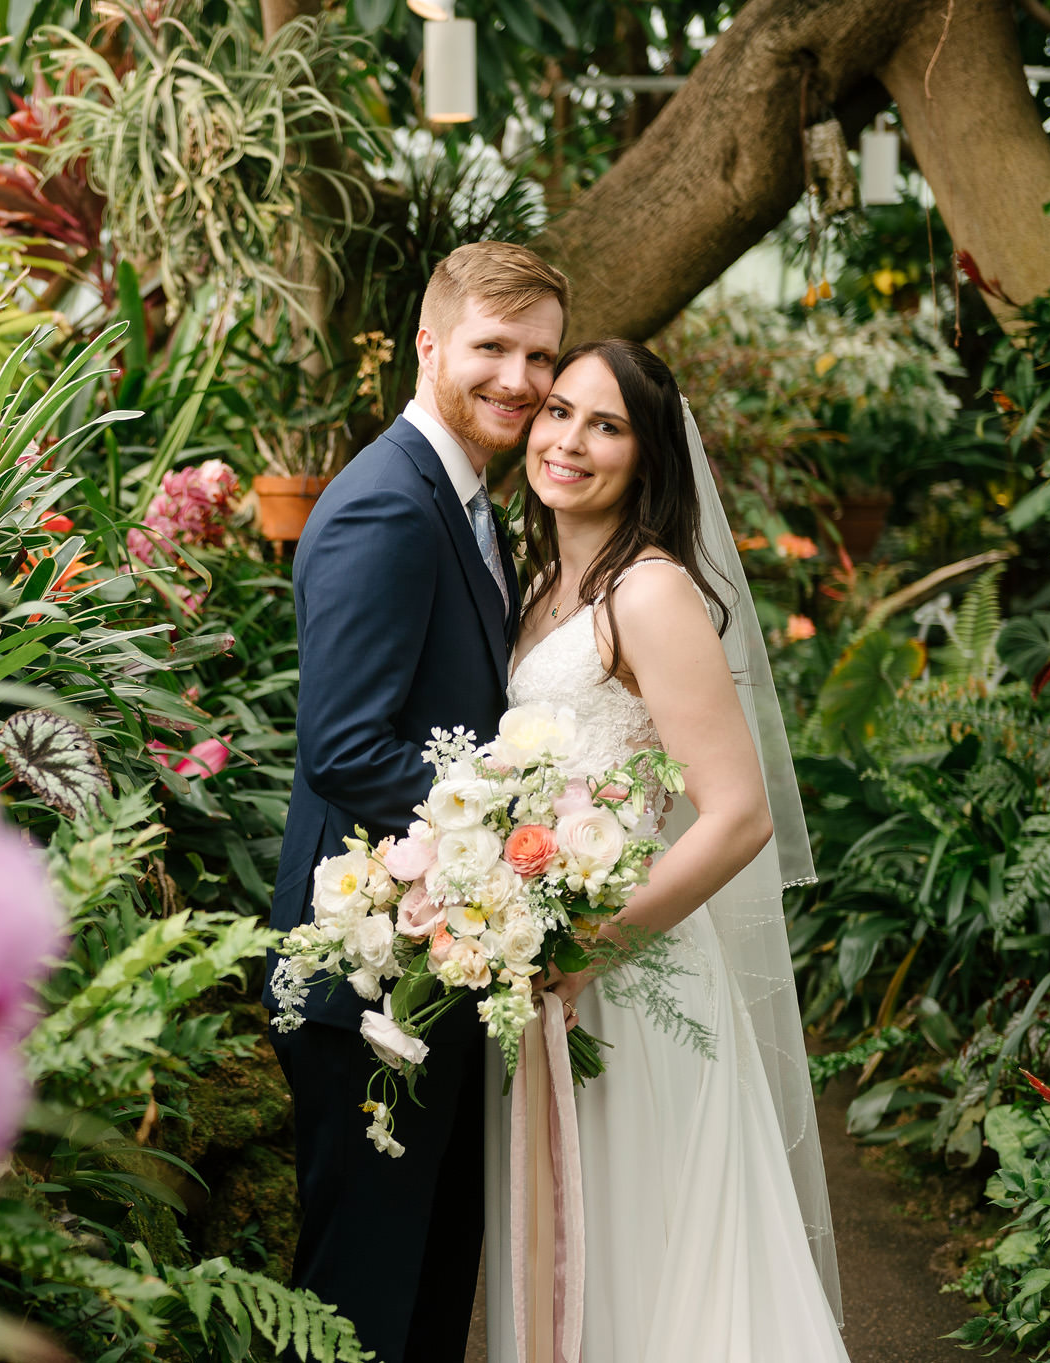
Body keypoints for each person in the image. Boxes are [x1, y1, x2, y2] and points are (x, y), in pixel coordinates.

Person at [483, 338, 847, 1361]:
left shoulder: (646, 591)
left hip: (633, 977)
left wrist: (589, 944)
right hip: (556, 968)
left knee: (651, 1256)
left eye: (605, 425)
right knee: (577, 1259)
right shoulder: (549, 579)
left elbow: (735, 813)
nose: (567, 440)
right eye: (557, 410)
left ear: (647, 456)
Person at [266, 241, 568, 1363]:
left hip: (428, 962)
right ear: (429, 346)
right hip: (364, 982)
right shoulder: (386, 508)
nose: (519, 378)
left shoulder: (466, 501)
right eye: (492, 347)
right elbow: (345, 748)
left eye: (539, 354)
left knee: (426, 1294)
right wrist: (514, 847)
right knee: (361, 1312)